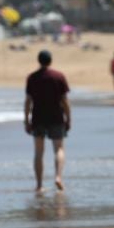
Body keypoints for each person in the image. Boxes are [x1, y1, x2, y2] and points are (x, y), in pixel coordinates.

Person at [25, 49, 71, 192]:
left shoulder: (32, 78)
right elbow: (65, 101)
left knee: (39, 152)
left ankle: (39, 185)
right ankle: (58, 177)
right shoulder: (59, 76)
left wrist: (26, 119)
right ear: (50, 61)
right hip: (56, 117)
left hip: (38, 117)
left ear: (39, 61)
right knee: (59, 148)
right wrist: (69, 118)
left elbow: (28, 101)